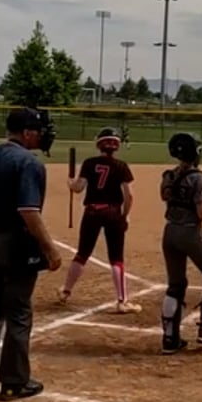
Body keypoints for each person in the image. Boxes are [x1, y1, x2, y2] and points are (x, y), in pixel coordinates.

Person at [0, 107, 61, 400]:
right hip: (16, 241)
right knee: (19, 311)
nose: (43, 136)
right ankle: (13, 381)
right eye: (39, 131)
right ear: (27, 133)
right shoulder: (29, 162)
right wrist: (50, 248)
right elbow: (28, 211)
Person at [159, 132, 202, 353]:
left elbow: (166, 196)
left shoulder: (169, 175)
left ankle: (170, 340)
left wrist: (194, 184)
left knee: (176, 285)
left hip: (169, 233)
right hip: (190, 234)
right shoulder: (199, 178)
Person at [61, 127, 135, 311]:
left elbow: (78, 188)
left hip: (92, 212)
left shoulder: (89, 163)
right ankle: (122, 301)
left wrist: (70, 182)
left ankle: (65, 292)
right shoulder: (121, 166)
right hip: (113, 212)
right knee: (116, 257)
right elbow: (129, 195)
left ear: (99, 144)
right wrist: (125, 216)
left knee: (82, 253)